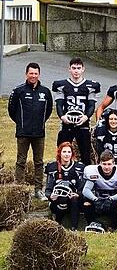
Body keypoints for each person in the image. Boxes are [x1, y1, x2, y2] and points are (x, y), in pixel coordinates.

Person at [9, 62, 54, 198]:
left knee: (39, 162)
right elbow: (12, 110)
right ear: (26, 74)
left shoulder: (45, 92)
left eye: (35, 73)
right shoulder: (19, 91)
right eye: (31, 73)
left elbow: (48, 110)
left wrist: (40, 123)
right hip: (23, 132)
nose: (33, 76)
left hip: (39, 133)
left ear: (39, 74)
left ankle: (38, 190)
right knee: (21, 161)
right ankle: (19, 189)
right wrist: (21, 123)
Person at [53, 57, 101, 165]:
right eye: (73, 68)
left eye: (78, 68)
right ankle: (61, 176)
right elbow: (59, 104)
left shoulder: (90, 86)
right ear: (69, 69)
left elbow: (91, 105)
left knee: (85, 155)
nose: (76, 71)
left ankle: (85, 179)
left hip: (83, 125)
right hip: (66, 124)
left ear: (83, 69)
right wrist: (62, 116)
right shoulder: (62, 85)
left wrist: (86, 117)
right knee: (62, 152)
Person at [82, 150, 117, 231]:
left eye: (109, 164)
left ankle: (113, 226)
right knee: (86, 201)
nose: (107, 167)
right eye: (104, 164)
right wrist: (95, 199)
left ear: (114, 164)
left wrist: (111, 199)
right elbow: (86, 190)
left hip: (113, 200)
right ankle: (92, 223)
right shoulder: (93, 171)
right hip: (98, 198)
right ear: (100, 163)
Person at [45, 142, 85, 230]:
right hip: (58, 201)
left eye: (69, 152)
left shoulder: (79, 167)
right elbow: (48, 189)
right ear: (59, 153)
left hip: (73, 202)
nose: (66, 154)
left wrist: (78, 194)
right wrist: (51, 196)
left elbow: (82, 188)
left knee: (74, 200)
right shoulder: (52, 167)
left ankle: (74, 228)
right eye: (64, 152)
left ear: (72, 154)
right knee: (61, 198)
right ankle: (57, 226)